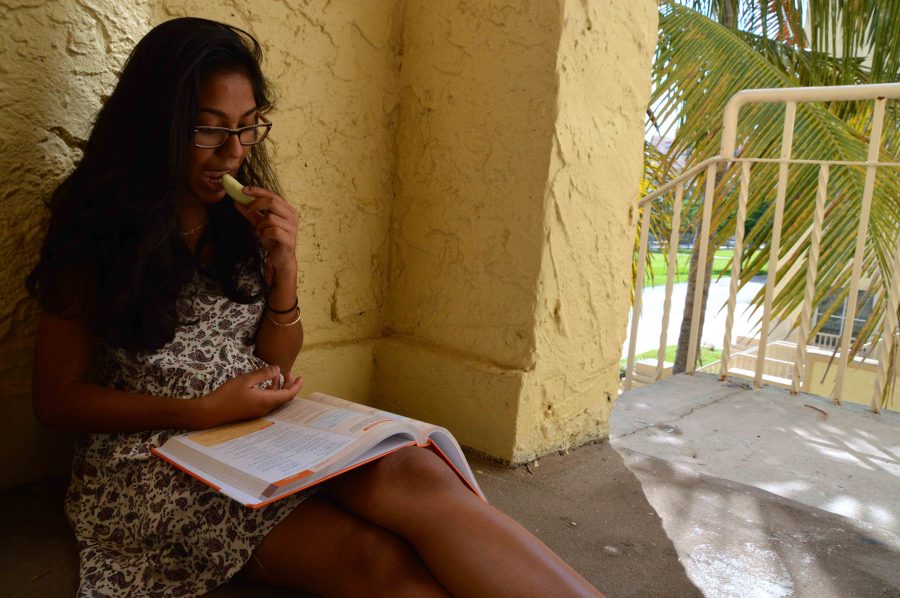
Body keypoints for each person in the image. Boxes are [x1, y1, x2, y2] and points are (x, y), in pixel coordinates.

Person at [26, 17, 602, 597]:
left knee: (422, 477)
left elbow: (274, 358)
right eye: (209, 130)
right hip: (155, 454)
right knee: (374, 559)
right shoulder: (93, 226)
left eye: (249, 128)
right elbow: (56, 399)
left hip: (260, 429)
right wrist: (203, 410)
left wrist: (285, 269)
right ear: (158, 123)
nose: (233, 152)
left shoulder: (241, 218)